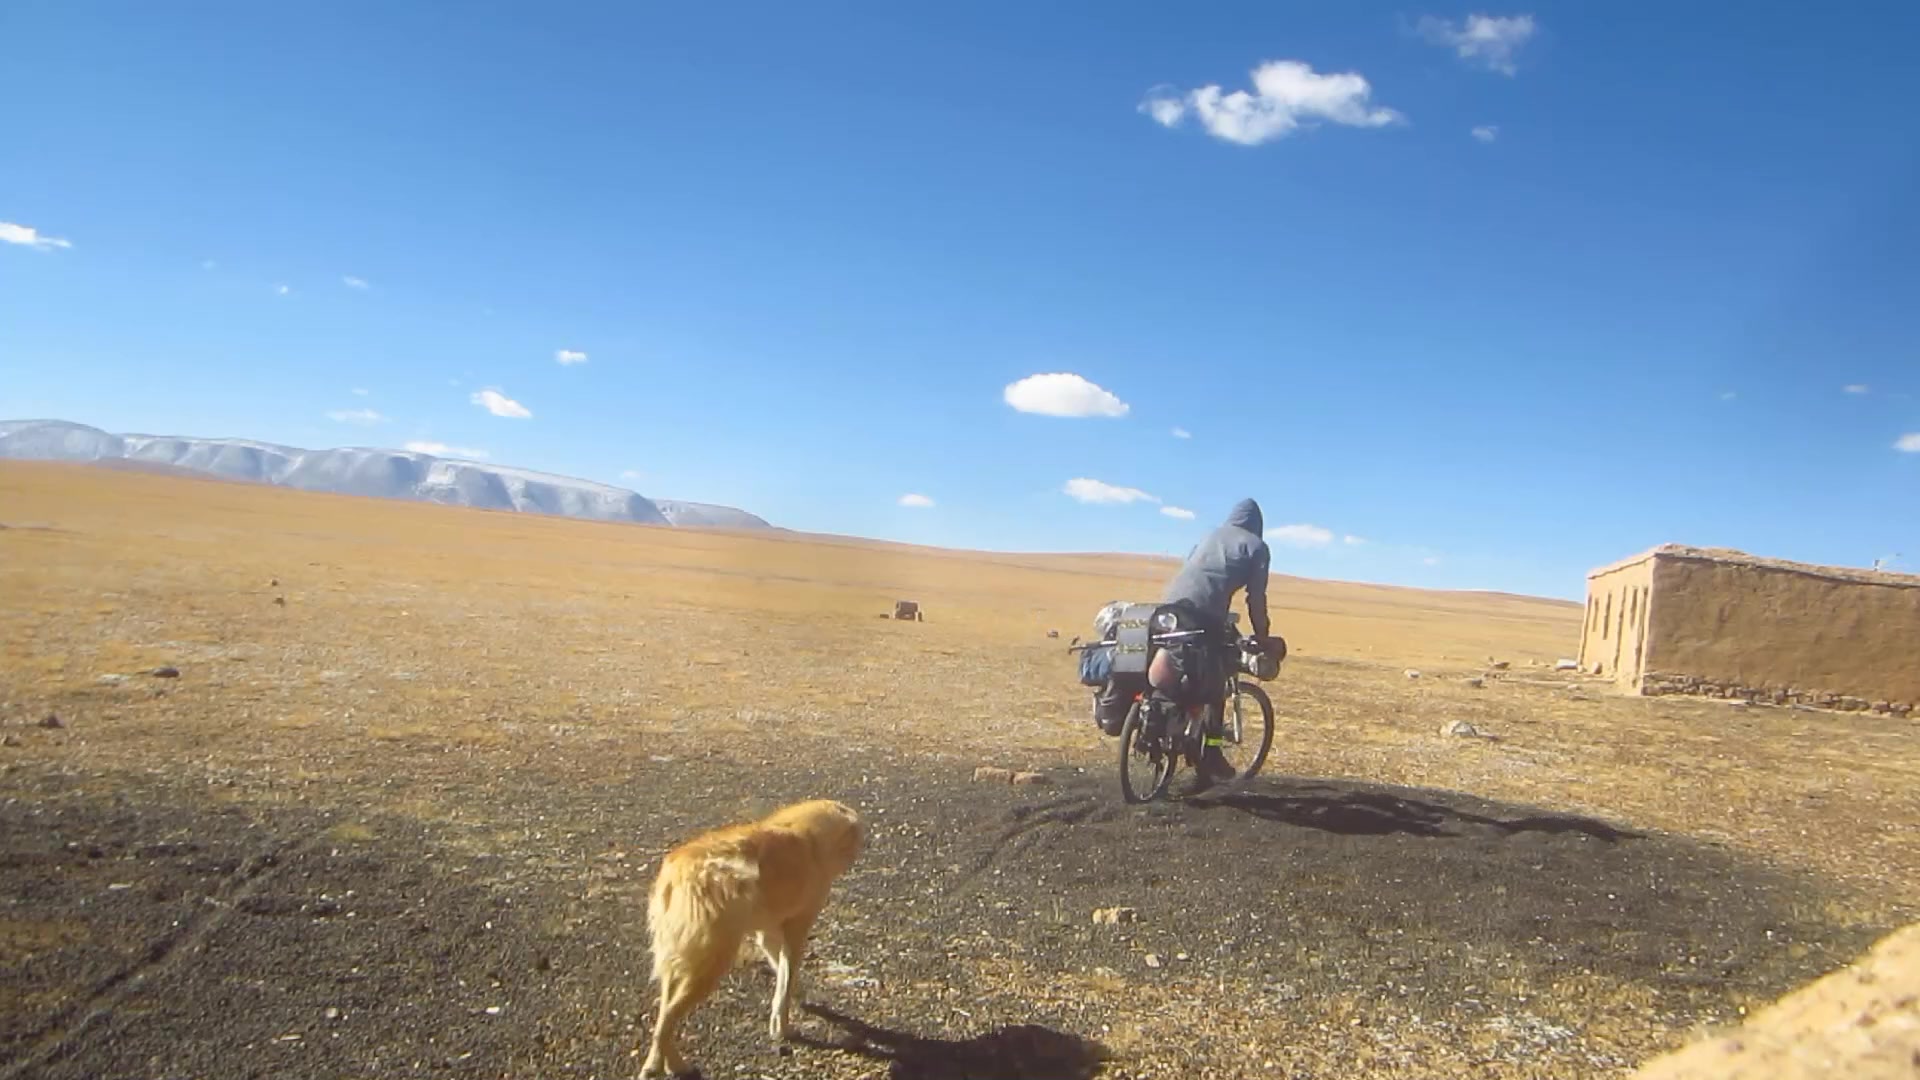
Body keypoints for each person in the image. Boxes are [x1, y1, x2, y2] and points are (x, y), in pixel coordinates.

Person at [1154, 498, 1274, 787]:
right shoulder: (1256, 547)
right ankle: (1211, 750)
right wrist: (1263, 634)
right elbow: (1255, 599)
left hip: (1168, 605)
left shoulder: (1210, 534)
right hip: (1204, 613)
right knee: (1217, 680)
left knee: (1176, 658)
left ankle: (1169, 717)